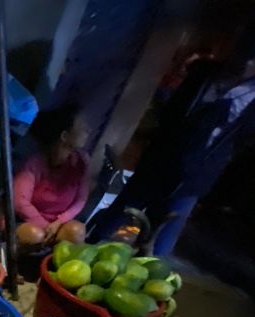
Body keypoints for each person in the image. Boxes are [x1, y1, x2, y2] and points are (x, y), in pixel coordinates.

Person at [92, 47, 255, 255]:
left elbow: (241, 142)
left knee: (160, 237)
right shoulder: (205, 72)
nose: (247, 62)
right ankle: (91, 247)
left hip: (195, 174)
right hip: (161, 158)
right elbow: (174, 109)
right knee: (120, 213)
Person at [13, 105, 90, 247]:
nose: (88, 131)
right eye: (83, 127)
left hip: (56, 224)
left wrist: (59, 222)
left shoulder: (81, 162)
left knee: (77, 232)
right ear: (65, 136)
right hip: (27, 221)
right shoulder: (34, 163)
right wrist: (45, 226)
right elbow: (19, 202)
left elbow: (81, 199)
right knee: (35, 235)